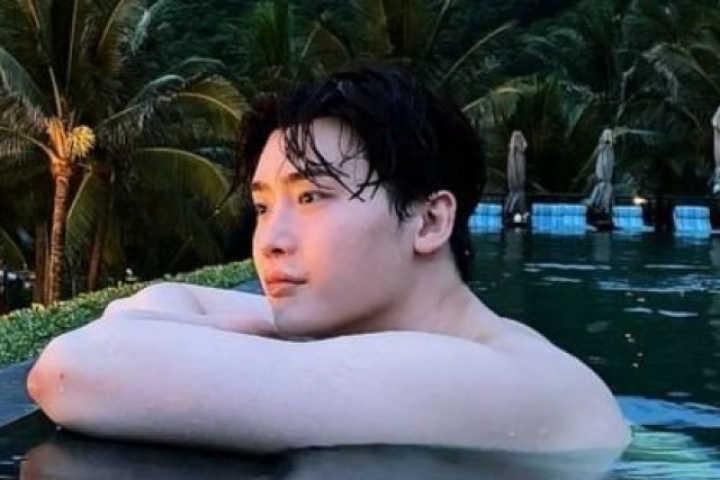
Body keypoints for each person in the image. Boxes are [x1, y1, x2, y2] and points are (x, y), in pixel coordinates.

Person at [27, 65, 630, 454]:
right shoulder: (417, 342)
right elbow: (151, 304)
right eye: (263, 206)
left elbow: (72, 370)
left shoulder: (495, 378)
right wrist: (264, 326)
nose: (269, 240)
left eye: (312, 197)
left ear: (429, 221)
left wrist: (221, 329)